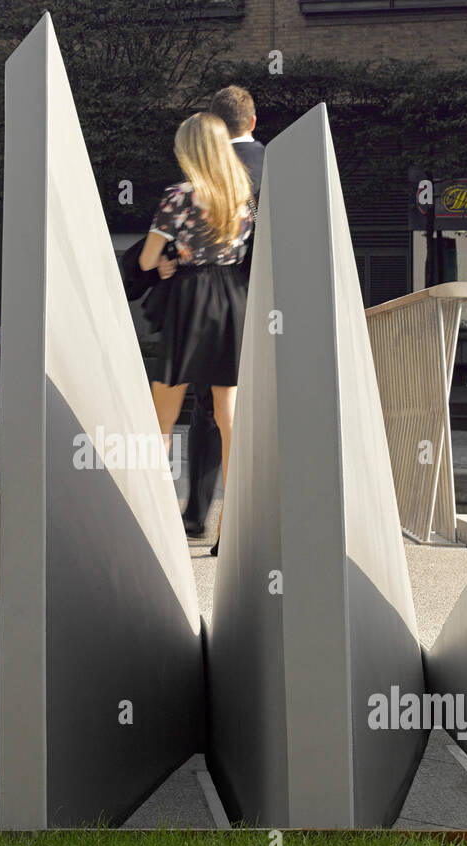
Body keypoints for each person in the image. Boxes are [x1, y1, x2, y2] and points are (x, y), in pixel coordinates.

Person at [139, 112, 253, 557]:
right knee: (229, 420)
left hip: (190, 298)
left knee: (161, 419)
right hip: (232, 299)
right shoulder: (246, 195)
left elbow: (149, 260)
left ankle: (155, 521)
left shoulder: (180, 195)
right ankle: (234, 528)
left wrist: (168, 262)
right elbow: (250, 240)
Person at [180, 85, 265, 540]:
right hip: (269, 309)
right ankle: (244, 526)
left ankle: (198, 514)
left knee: (210, 409)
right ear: (252, 122)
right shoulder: (280, 165)